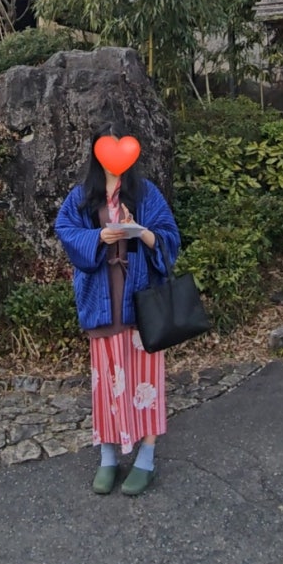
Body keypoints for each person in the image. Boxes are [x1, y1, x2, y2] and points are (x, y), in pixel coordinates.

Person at [55, 122, 181, 497]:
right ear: (96, 153)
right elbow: (65, 230)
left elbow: (170, 237)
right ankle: (108, 456)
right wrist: (99, 236)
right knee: (107, 382)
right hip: (101, 301)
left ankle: (146, 458)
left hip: (142, 303)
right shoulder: (82, 197)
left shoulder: (146, 193)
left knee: (146, 382)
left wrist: (141, 231)